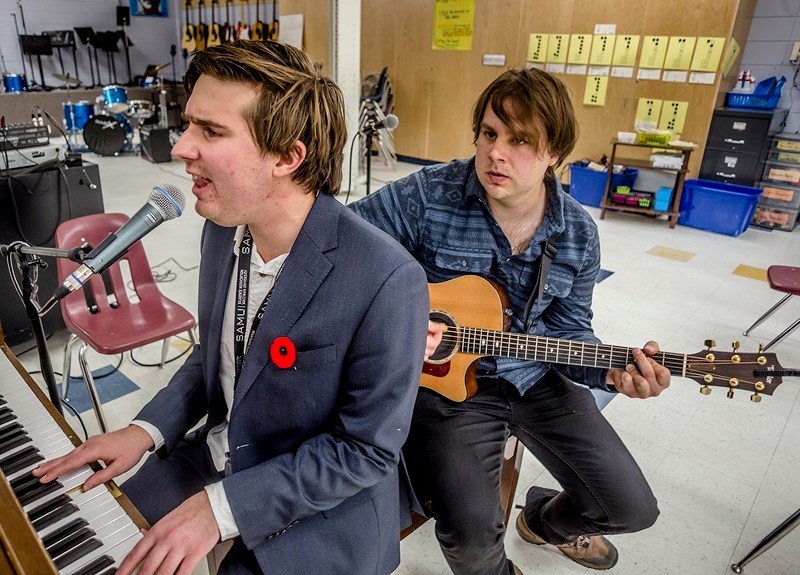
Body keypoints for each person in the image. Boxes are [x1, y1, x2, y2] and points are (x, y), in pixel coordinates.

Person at [34, 39, 430, 575]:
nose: (180, 147)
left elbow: (364, 451)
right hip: (219, 453)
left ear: (288, 157)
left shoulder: (386, 278)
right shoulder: (222, 229)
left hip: (319, 505)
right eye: (189, 123)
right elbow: (218, 356)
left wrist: (221, 510)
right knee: (84, 540)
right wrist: (146, 430)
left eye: (211, 131)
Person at [351, 67, 671, 575]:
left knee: (631, 509)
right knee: (472, 544)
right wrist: (398, 321)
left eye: (521, 140)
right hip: (449, 388)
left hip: (535, 377)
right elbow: (341, 245)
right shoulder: (429, 194)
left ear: (554, 157)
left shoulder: (577, 234)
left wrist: (612, 372)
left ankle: (542, 522)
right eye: (489, 134)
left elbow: (571, 329)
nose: (496, 153)